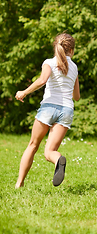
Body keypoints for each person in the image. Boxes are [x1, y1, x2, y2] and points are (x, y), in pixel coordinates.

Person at [15, 33, 80, 188]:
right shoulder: (75, 67)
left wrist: (24, 92)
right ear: (71, 50)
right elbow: (76, 97)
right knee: (49, 151)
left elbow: (43, 80)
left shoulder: (49, 62)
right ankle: (58, 160)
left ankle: (19, 184)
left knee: (32, 145)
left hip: (49, 108)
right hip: (66, 110)